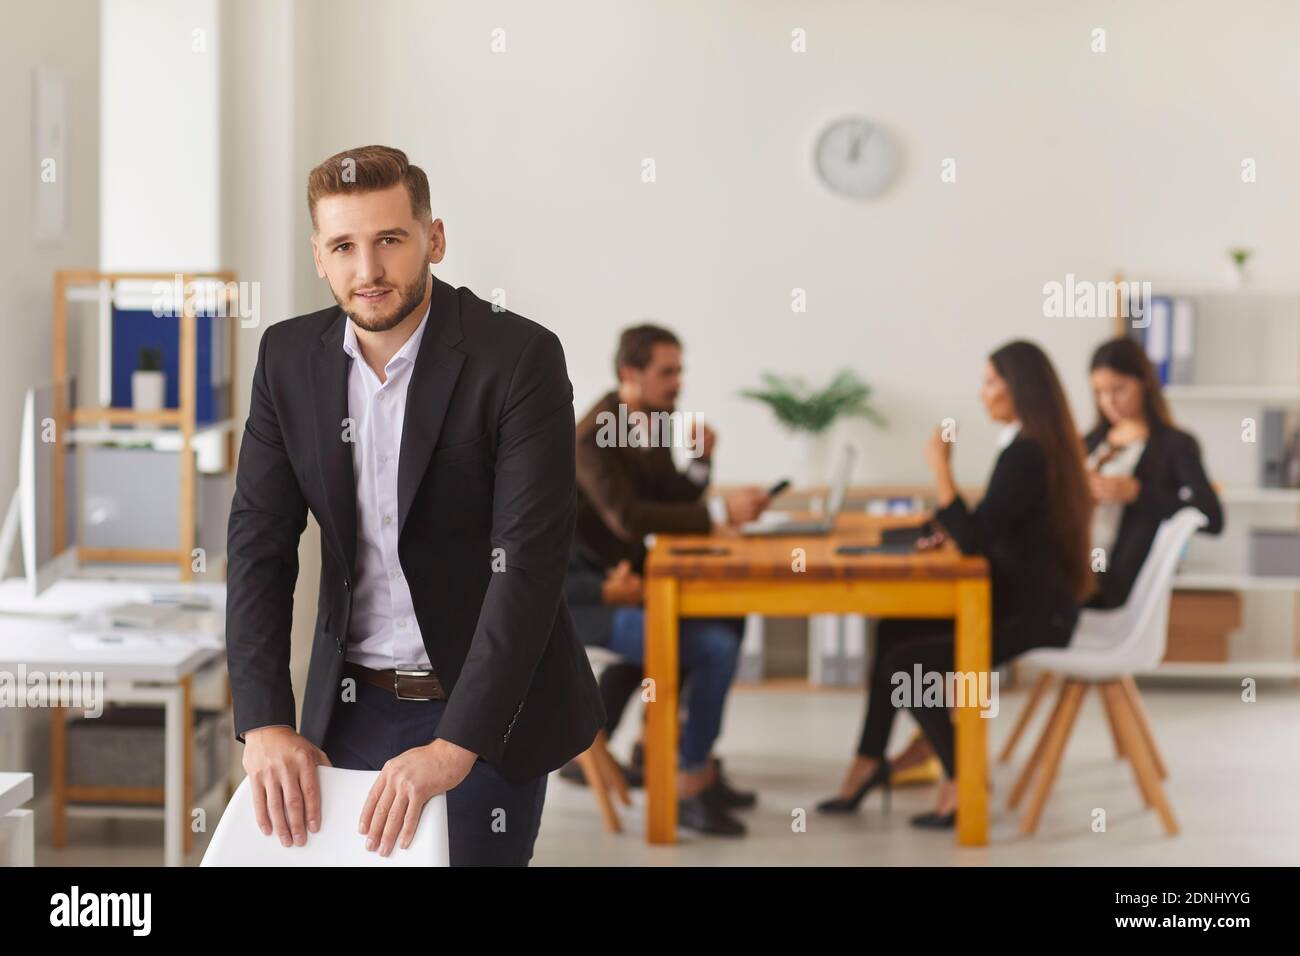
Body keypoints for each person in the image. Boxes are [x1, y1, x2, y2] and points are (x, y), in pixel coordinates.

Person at [225, 145, 604, 866]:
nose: (367, 271)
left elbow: (526, 568)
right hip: (350, 703)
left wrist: (455, 744)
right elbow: (258, 546)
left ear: (433, 238)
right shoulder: (286, 359)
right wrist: (266, 722)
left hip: (489, 703)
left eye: (389, 240)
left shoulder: (517, 358)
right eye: (344, 246)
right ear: (319, 255)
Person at [818, 340, 1093, 829]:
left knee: (906, 662)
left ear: (1020, 390)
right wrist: (946, 524)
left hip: (1034, 617)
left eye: (991, 382)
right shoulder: (1031, 447)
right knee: (893, 632)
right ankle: (870, 761)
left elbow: (975, 543)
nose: (982, 393)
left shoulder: (1029, 454)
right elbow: (988, 528)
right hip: (1020, 601)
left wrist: (941, 470)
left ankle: (961, 775)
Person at [569, 324, 769, 835]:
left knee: (729, 615)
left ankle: (689, 760)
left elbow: (671, 499)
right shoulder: (595, 436)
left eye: (679, 370)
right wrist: (721, 509)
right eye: (667, 372)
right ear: (629, 374)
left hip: (631, 587)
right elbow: (630, 518)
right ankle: (687, 783)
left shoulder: (652, 422)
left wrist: (701, 465)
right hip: (587, 599)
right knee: (714, 649)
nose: (678, 382)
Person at [1084, 337, 1224, 609]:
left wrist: (1137, 493)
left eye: (1119, 389)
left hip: (1112, 582)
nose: (1109, 401)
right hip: (1077, 567)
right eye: (1099, 392)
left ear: (1144, 382)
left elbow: (1213, 518)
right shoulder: (1088, 443)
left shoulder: (1174, 446)